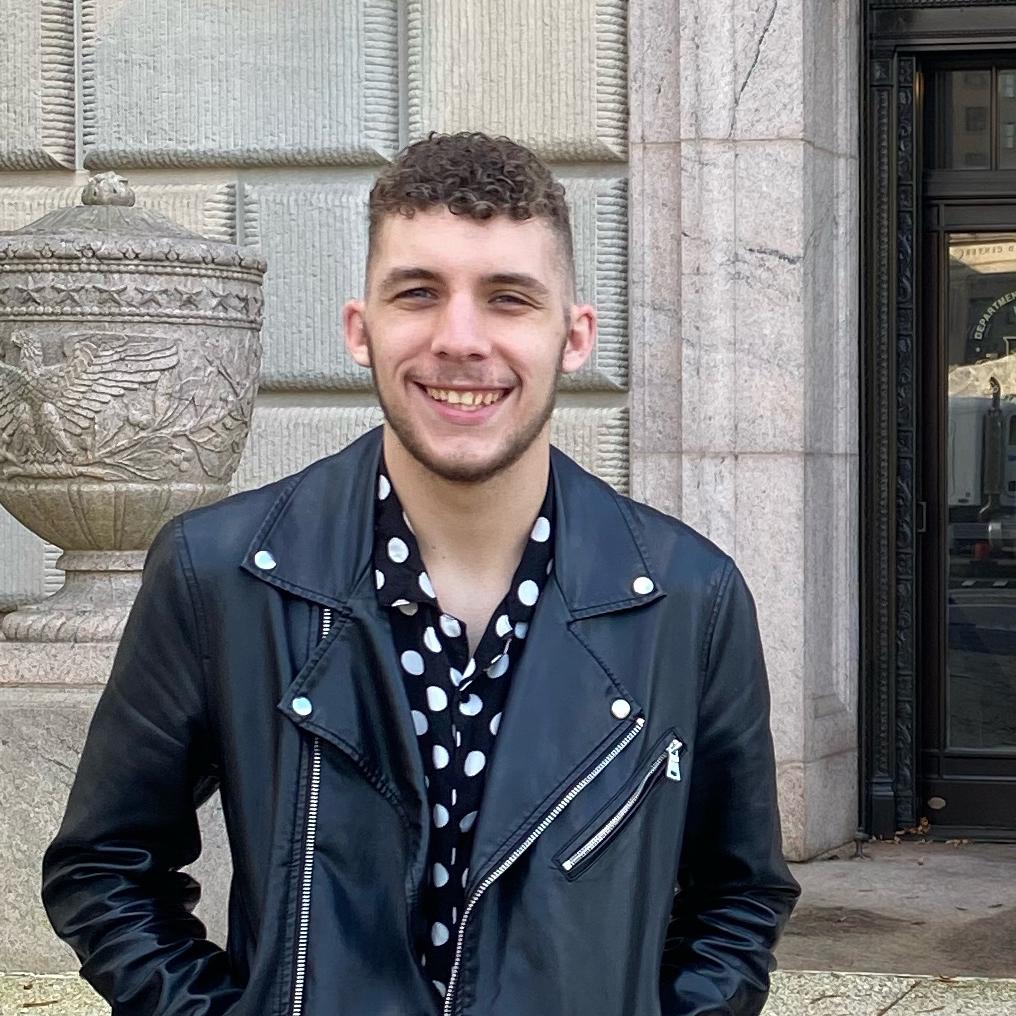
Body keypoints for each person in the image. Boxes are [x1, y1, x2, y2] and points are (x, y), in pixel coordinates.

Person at [42, 132, 800, 1016]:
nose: (460, 339)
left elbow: (738, 899)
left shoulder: (690, 597)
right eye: (418, 294)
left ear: (574, 336)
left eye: (509, 298)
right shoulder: (219, 574)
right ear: (360, 329)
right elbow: (105, 868)